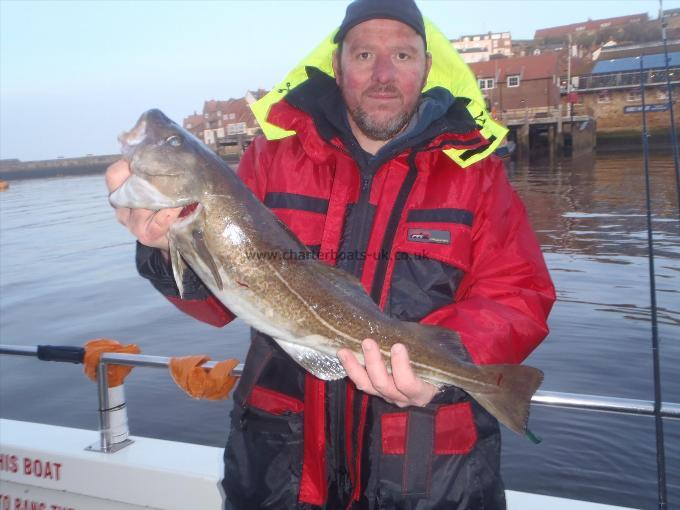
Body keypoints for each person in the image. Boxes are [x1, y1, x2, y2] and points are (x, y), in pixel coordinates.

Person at [105, 0, 555, 508]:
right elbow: (216, 302)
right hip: (281, 468)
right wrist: (164, 250)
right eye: (364, 55)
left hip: (429, 475)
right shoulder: (269, 160)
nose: (383, 74)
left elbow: (519, 292)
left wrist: (455, 370)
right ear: (338, 65)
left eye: (403, 56)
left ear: (427, 68)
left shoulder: (476, 176)